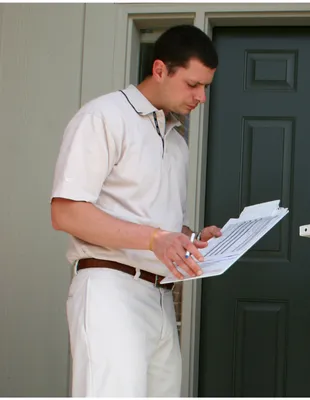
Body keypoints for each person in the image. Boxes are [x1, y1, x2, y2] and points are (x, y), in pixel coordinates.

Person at [50, 25, 222, 397]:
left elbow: (151, 219)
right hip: (110, 291)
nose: (201, 97)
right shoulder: (104, 117)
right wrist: (156, 239)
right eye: (193, 85)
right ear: (160, 70)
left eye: (206, 87)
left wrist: (190, 239)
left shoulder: (177, 142)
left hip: (160, 298)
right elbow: (66, 213)